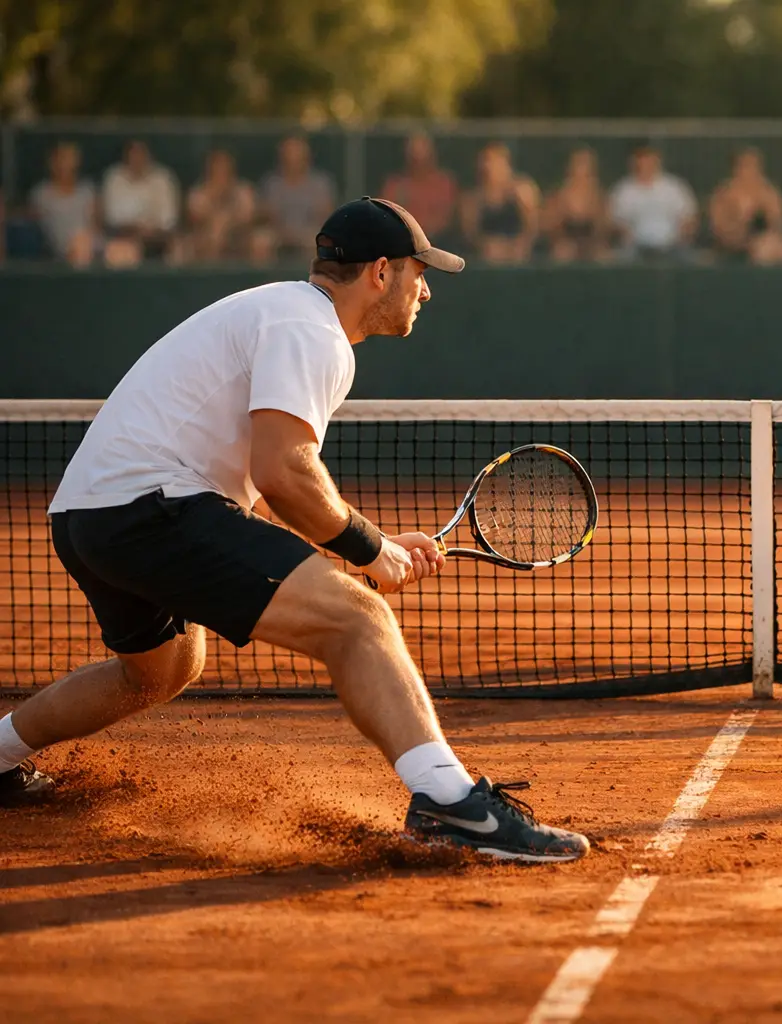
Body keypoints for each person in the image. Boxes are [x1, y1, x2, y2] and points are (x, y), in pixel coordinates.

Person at [0, 196, 590, 862]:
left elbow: (272, 478)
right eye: (418, 272)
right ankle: (451, 804)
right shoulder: (312, 330)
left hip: (88, 515)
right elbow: (282, 470)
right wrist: (370, 553)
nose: (426, 290)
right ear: (379, 273)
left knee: (161, 670)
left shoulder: (285, 312)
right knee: (359, 621)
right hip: (150, 508)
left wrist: (382, 544)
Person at [609, 145, 697, 261]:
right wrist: (624, 233)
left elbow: (689, 218)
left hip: (672, 247)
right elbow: (615, 221)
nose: (646, 165)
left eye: (649, 160)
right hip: (635, 249)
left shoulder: (675, 188)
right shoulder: (623, 190)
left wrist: (683, 235)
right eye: (642, 160)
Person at [708, 147, 782, 265]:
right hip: (733, 245)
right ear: (736, 168)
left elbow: (778, 224)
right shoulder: (724, 193)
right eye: (746, 166)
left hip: (766, 241)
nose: (751, 171)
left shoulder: (768, 192)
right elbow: (718, 228)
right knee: (762, 251)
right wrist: (741, 221)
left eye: (755, 166)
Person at [100, 140, 180, 266]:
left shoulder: (162, 179)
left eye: (141, 154)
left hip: (160, 240)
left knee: (180, 250)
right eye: (133, 154)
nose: (137, 159)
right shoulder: (115, 179)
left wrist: (150, 231)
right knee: (119, 252)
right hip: (124, 238)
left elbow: (169, 220)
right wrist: (136, 230)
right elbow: (113, 218)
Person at [257, 136, 337, 261]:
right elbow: (267, 215)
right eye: (289, 153)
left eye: (297, 153)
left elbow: (326, 215)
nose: (293, 158)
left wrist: (302, 232)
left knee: (316, 242)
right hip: (279, 231)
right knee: (261, 241)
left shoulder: (320, 183)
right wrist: (285, 231)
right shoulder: (272, 183)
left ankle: (311, 279)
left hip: (309, 232)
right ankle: (268, 279)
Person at [459, 142, 540, 265]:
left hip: (519, 250)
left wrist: (521, 244)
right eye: (486, 161)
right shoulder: (474, 198)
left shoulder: (523, 190)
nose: (489, 166)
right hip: (488, 252)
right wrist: (484, 245)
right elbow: (469, 232)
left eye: (494, 161)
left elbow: (534, 224)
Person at [184, 149, 258, 262]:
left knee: (261, 241)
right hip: (205, 235)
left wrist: (228, 222)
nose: (221, 171)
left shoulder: (244, 190)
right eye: (217, 167)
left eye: (225, 167)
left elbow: (248, 218)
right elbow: (195, 218)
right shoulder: (199, 191)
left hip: (240, 235)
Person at [29, 141, 96, 267]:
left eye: (71, 159)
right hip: (61, 247)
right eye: (63, 158)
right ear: (53, 163)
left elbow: (95, 225)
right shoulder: (42, 194)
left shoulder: (87, 190)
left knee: (124, 251)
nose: (67, 164)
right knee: (79, 248)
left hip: (91, 244)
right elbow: (40, 228)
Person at [381, 133, 459, 240]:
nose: (417, 157)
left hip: (439, 242)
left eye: (422, 152)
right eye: (413, 152)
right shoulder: (395, 184)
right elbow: (385, 215)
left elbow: (447, 217)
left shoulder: (444, 183)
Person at [546, 147, 609, 264]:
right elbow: (552, 226)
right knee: (563, 253)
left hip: (591, 239)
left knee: (603, 256)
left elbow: (603, 226)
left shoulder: (599, 195)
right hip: (566, 238)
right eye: (579, 164)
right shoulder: (559, 193)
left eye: (586, 165)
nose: (582, 169)